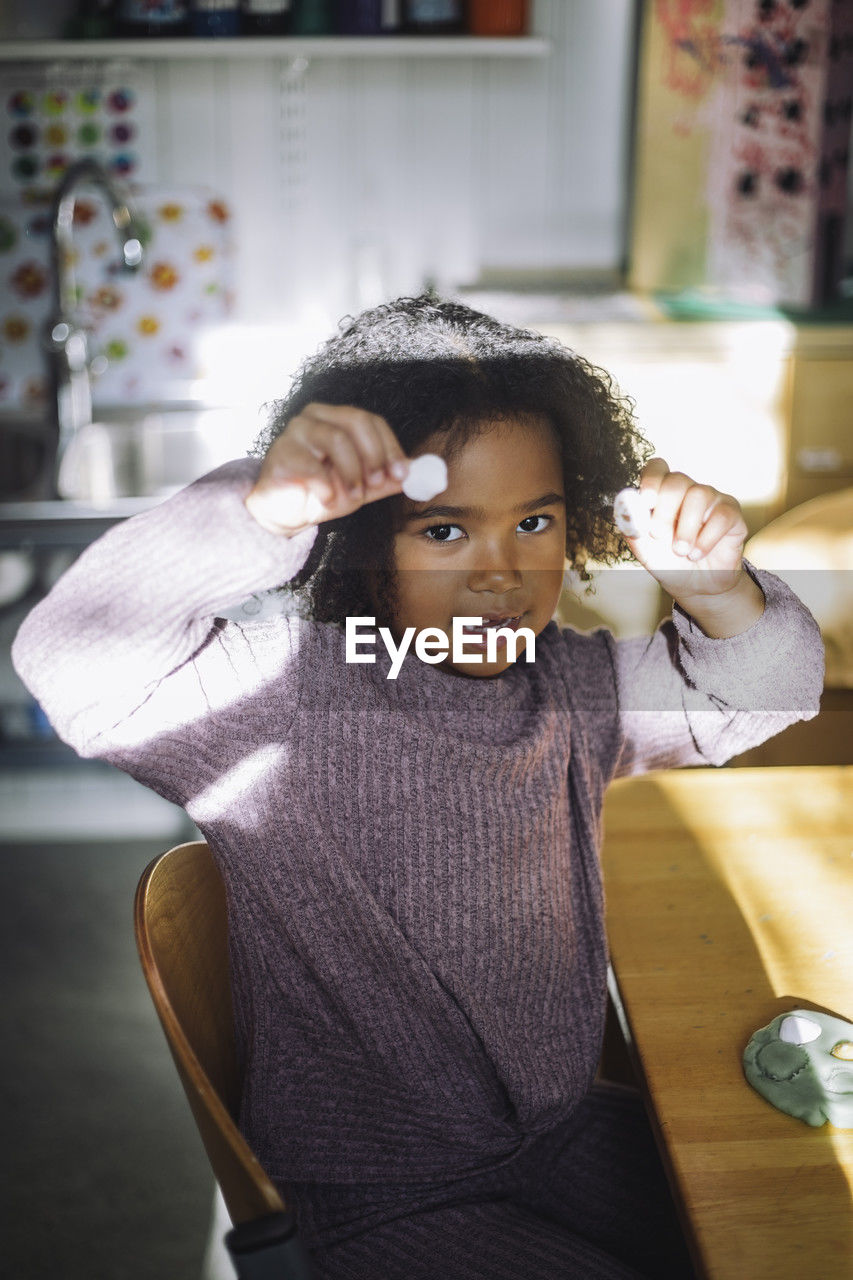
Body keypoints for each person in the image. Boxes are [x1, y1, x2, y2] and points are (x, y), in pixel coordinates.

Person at [12, 295, 823, 1279]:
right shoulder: (279, 689)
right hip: (373, 1194)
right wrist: (256, 510)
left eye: (534, 520)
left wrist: (715, 588)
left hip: (560, 1130)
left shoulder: (571, 682)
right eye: (444, 531)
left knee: (785, 1228)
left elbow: (765, 689)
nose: (499, 571)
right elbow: (67, 653)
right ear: (358, 540)